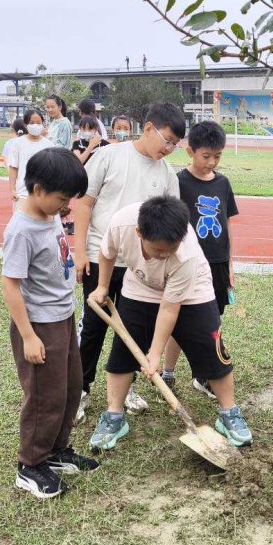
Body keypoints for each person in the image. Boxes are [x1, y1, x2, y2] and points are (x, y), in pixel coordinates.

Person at [88, 196, 252, 450]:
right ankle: (114, 416)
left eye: (170, 249)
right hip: (141, 285)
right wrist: (102, 286)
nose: (164, 255)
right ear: (139, 233)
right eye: (159, 250)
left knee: (211, 348)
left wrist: (155, 355)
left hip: (192, 288)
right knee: (122, 350)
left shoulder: (185, 253)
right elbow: (107, 253)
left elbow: (168, 309)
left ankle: (229, 413)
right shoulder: (121, 224)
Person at [75, 103, 185, 420]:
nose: (169, 148)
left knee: (133, 330)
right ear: (149, 128)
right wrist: (80, 251)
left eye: (175, 144)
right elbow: (84, 203)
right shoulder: (109, 156)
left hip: (141, 267)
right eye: (167, 140)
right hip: (100, 257)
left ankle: (126, 389)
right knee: (93, 327)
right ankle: (80, 389)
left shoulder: (167, 175)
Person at [1, 147, 99, 498]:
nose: (65, 206)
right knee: (45, 395)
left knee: (70, 387)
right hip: (40, 324)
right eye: (61, 198)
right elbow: (10, 286)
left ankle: (56, 451)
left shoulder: (49, 212)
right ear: (38, 189)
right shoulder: (21, 230)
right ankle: (30, 464)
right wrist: (28, 336)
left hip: (63, 315)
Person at [161, 121, 238, 400]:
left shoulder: (223, 183)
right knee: (179, 321)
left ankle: (203, 376)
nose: (212, 162)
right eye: (206, 156)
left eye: (217, 156)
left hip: (217, 264)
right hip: (187, 263)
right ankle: (168, 372)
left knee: (212, 320)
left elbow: (227, 224)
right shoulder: (178, 182)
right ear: (190, 151)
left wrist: (230, 264)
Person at [7, 110, 53, 210]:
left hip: (43, 195)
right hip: (22, 194)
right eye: (32, 123)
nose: (35, 125)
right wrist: (13, 190)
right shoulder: (18, 143)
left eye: (38, 123)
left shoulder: (49, 145)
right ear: (25, 124)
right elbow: (13, 167)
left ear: (43, 123)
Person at [45, 95, 76, 236]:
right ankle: (60, 222)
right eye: (47, 107)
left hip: (61, 163)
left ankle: (67, 222)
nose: (50, 109)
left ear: (60, 107)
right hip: (51, 162)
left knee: (59, 195)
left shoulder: (64, 123)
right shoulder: (53, 123)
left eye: (52, 106)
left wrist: (45, 142)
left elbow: (62, 146)